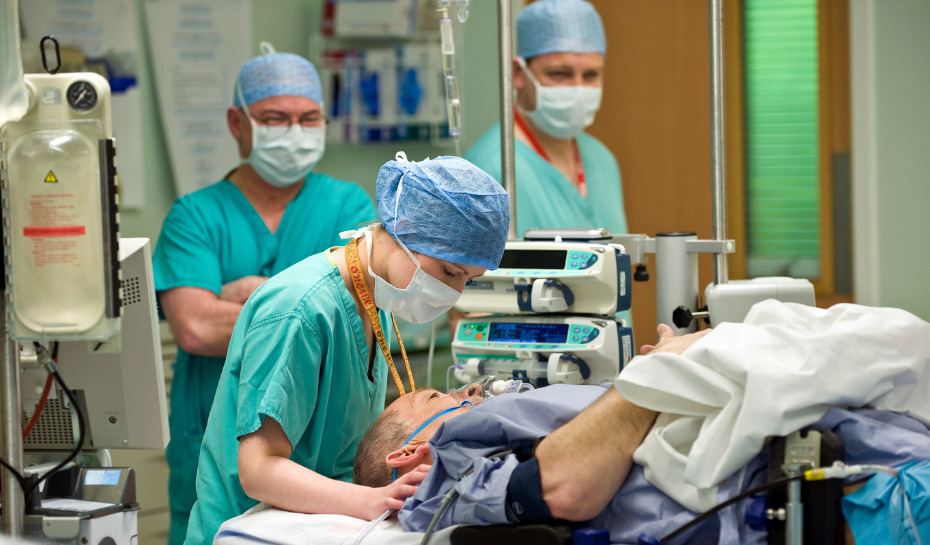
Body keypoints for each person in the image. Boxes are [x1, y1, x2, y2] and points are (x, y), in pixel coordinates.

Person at [356, 301, 930, 543]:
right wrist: (666, 370)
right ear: (407, 453)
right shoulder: (451, 465)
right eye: (436, 396)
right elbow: (561, 485)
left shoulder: (511, 423)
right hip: (861, 497)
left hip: (878, 444)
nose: (467, 391)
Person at [182, 154, 511, 545]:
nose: (454, 292)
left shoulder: (376, 299)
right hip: (250, 531)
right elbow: (259, 470)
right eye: (448, 272)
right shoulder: (299, 310)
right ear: (403, 229)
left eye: (468, 280)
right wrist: (371, 499)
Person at [153, 43, 377, 545]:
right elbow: (194, 326)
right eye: (276, 118)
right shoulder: (194, 216)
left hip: (322, 464)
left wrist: (246, 296)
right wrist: (309, 307)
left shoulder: (347, 205)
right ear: (238, 123)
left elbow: (359, 317)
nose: (295, 132)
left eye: (309, 118)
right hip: (214, 455)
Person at [463, 0, 626, 238]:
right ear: (518, 74)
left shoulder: (602, 160)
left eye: (590, 75)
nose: (578, 89)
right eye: (559, 74)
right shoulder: (489, 169)